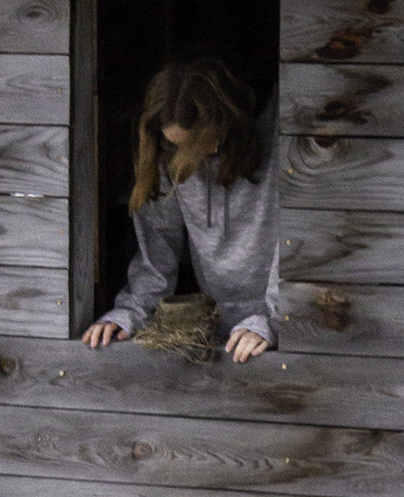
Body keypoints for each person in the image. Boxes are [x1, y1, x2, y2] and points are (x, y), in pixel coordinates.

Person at [82, 56, 279, 362]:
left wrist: (276, 319)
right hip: (223, 334)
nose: (201, 157)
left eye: (206, 144)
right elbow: (157, 249)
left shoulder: (280, 136)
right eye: (183, 148)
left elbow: (304, 241)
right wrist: (130, 311)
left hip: (287, 329)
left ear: (228, 121)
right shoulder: (166, 151)